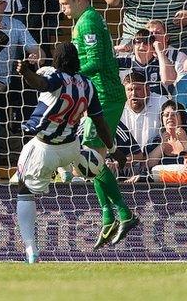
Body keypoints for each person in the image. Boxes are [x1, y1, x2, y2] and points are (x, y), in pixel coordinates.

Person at [15, 42, 118, 263]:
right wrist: (111, 147)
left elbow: (41, 83)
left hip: (45, 148)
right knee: (94, 167)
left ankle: (31, 249)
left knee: (24, 191)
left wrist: (26, 72)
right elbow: (99, 121)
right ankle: (114, 205)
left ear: (57, 60)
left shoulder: (58, 78)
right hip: (71, 147)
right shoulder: (87, 84)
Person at [56, 0, 137, 249]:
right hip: (99, 97)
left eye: (65, 4)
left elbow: (97, 61)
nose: (63, 9)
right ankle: (109, 217)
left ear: (79, 0)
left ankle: (122, 214)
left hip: (105, 98)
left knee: (89, 160)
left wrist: (68, 75)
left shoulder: (88, 21)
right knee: (92, 163)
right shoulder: (88, 18)